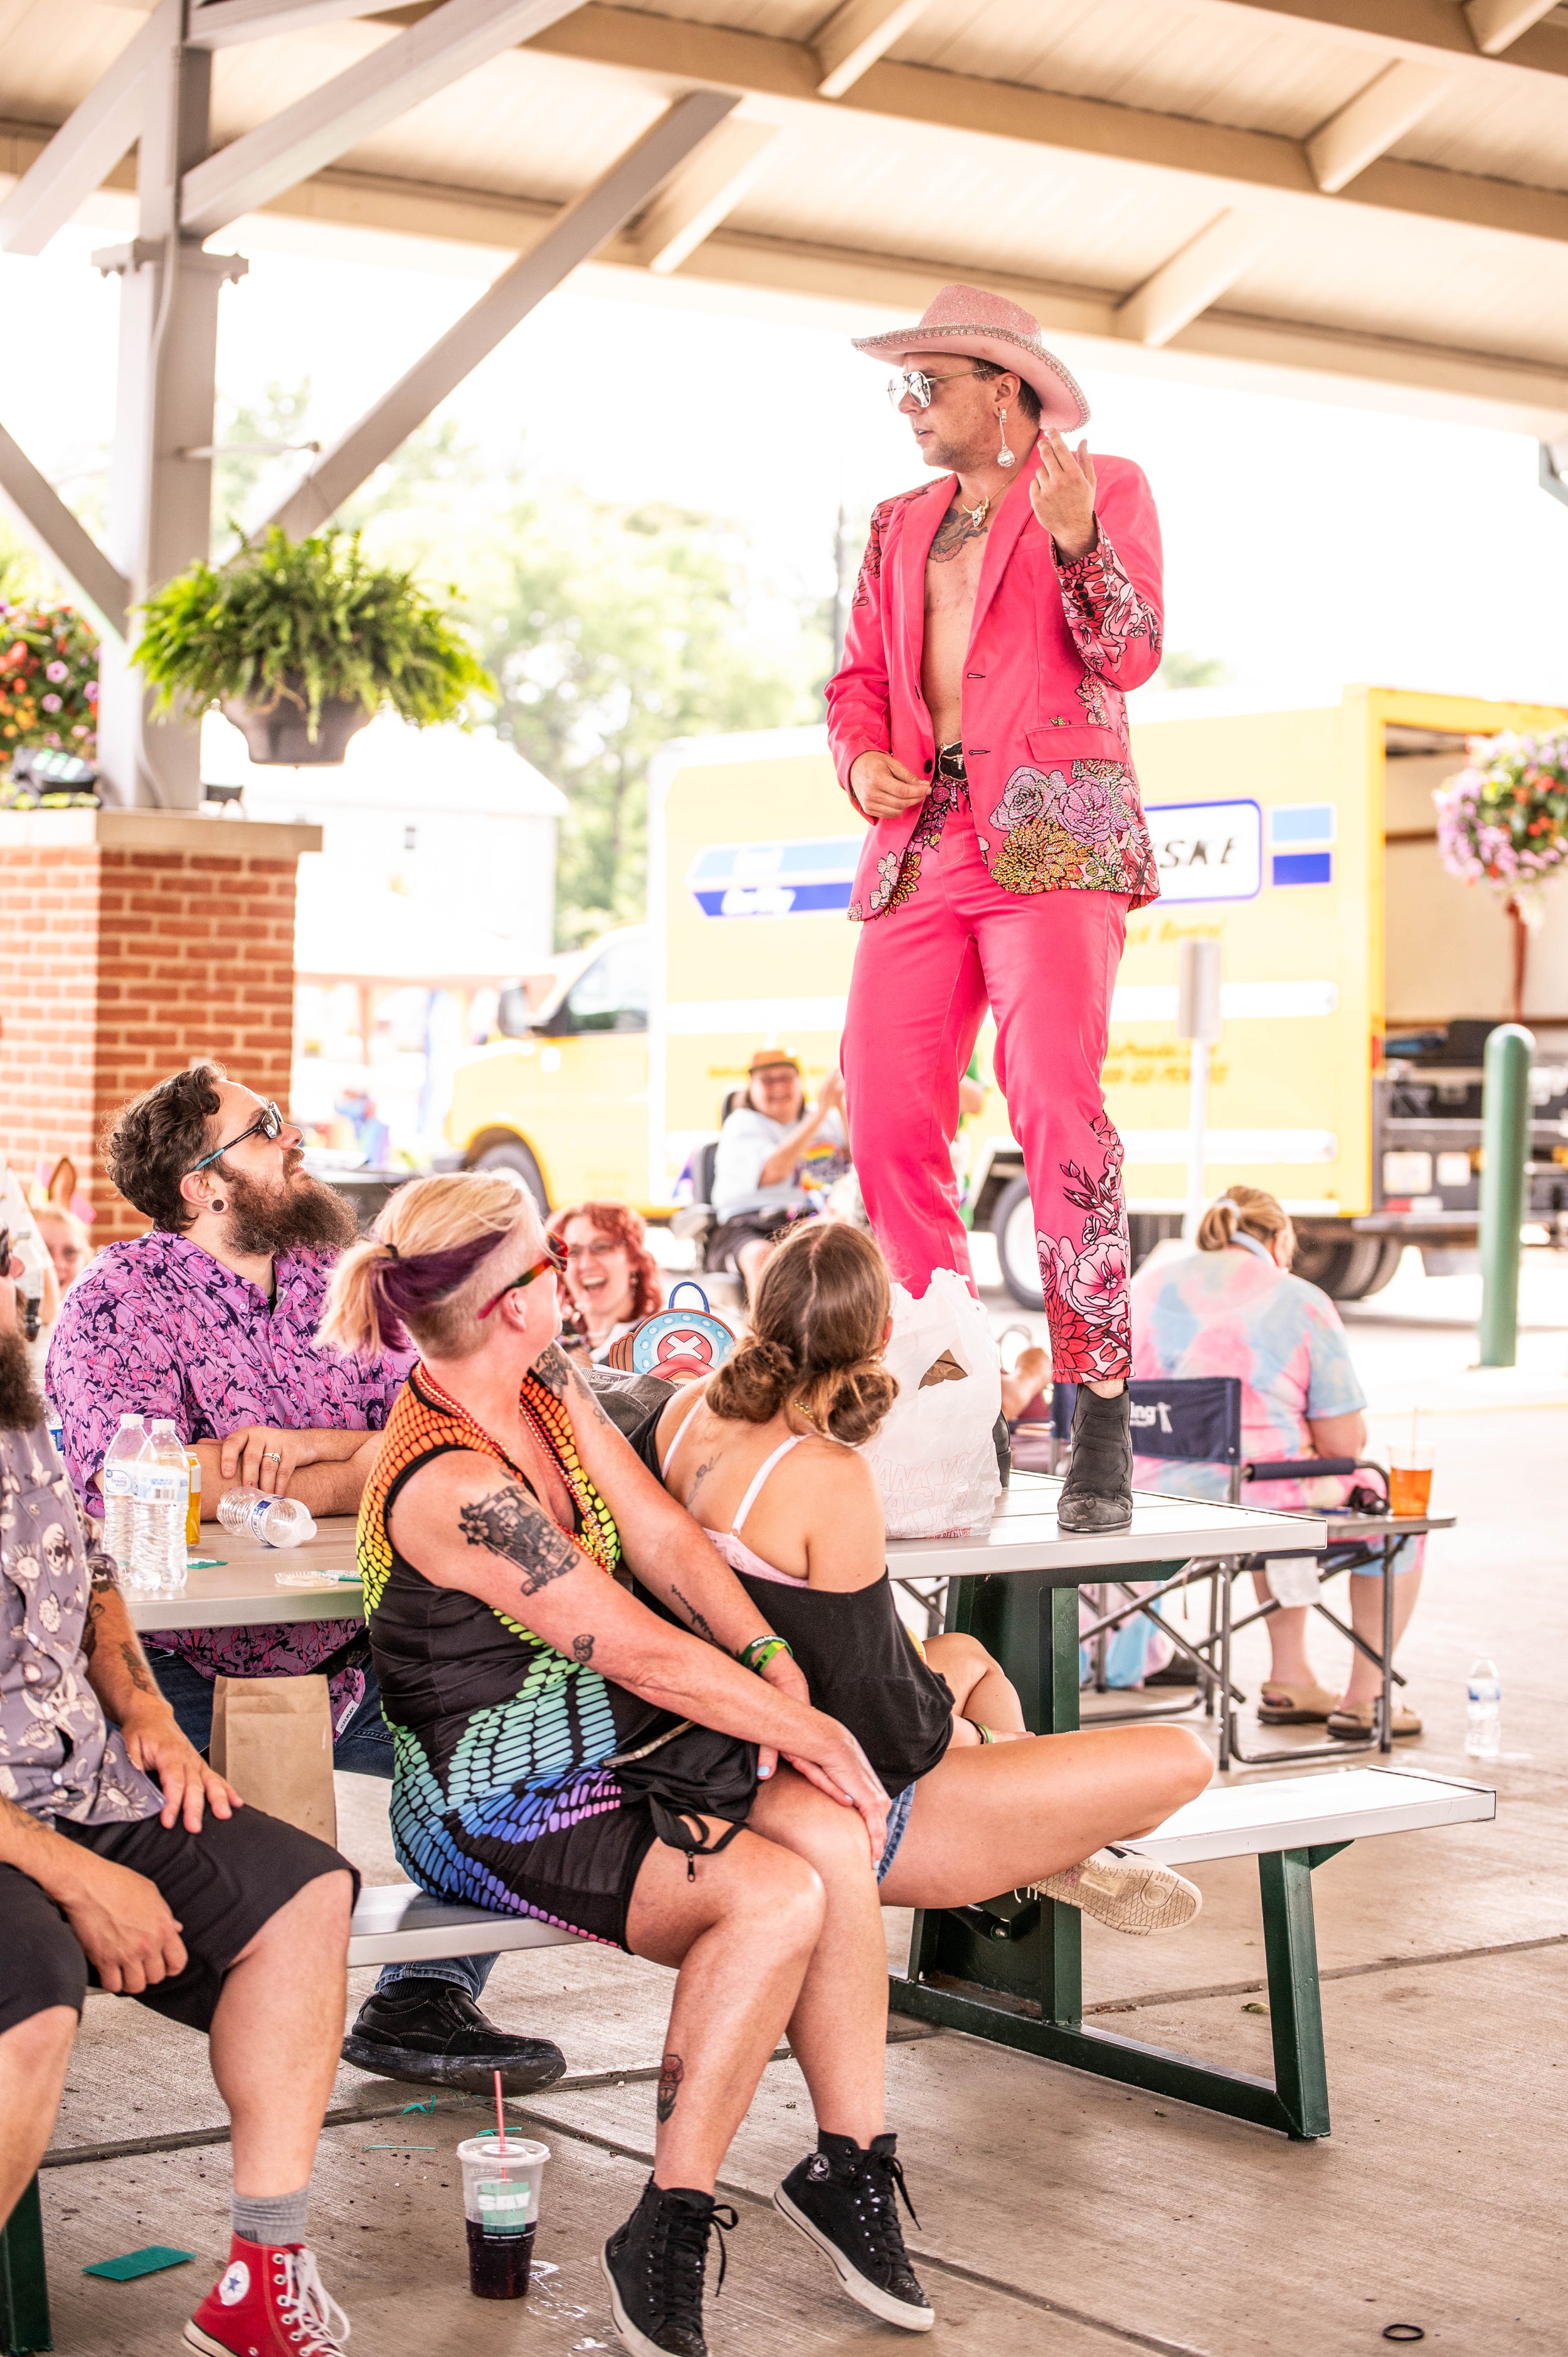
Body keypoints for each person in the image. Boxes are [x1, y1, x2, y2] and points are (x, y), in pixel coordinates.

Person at [317, 1169, 936, 2357]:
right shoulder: (452, 1480)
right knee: (774, 1896)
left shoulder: (542, 1383)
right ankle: (667, 2216)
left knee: (827, 1828)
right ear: (510, 1300)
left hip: (606, 1743)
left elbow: (653, 1525)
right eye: (546, 1265)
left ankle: (852, 2161)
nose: (567, 1276)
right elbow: (633, 1640)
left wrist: (768, 1654)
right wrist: (797, 1715)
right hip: (487, 1799)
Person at [47, 1063, 561, 2097]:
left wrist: (291, 1452)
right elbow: (127, 1480)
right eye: (265, 1127)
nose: (297, 1137)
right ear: (201, 1183)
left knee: (544, 1739)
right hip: (179, 1670)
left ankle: (428, 1992)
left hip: (354, 1642)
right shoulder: (115, 1307)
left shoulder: (341, 1274)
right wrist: (353, 1466)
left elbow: (443, 1428)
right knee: (139, 1882)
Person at [827, 283, 1165, 1536]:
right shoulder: (897, 521)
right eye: (901, 385)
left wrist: (1080, 545)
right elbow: (858, 678)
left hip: (1054, 832)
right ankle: (947, 1381)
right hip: (922, 835)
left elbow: (1127, 654)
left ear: (1003, 388)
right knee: (881, 1106)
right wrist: (860, 758)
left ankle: (1096, 1408)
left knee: (1052, 1104)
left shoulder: (1101, 486)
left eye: (928, 382)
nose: (908, 405)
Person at [639, 1220, 1213, 1939]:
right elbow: (877, 1712)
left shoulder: (685, 1411)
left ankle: (1037, 1847)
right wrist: (975, 1739)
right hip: (852, 1786)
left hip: (733, 1733)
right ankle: (1039, 1847)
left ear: (763, 1308)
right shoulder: (827, 1475)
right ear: (882, 1333)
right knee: (1185, 1758)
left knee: (968, 1653)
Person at [0, 1230, 359, 2357]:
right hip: (18, 1827)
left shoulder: (18, 1403)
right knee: (32, 1995)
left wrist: (147, 1713)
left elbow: (94, 1569)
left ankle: (264, 2277)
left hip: (80, 1779)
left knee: (303, 1894)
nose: (10, 1283)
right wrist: (75, 1876)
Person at [1131, 1186, 1425, 1738]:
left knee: (1284, 1489)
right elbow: (1343, 1443)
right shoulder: (1300, 1299)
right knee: (1384, 1514)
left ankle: (1292, 1676)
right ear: (1280, 1239)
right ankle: (1367, 1697)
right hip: (1251, 1506)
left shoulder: (1143, 1285)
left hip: (1145, 1499)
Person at [710, 1050, 849, 1302]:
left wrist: (839, 1106)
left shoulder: (829, 1118)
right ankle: (764, 1335)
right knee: (761, 1257)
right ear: (750, 1089)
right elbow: (773, 1172)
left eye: (786, 1078)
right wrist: (820, 1112)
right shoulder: (743, 1123)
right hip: (750, 1224)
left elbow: (858, 1158)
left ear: (800, 1083)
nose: (778, 1087)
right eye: (768, 1080)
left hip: (814, 1217)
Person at [549, 1198, 665, 1363]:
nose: (586, 1264)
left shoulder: (659, 1344)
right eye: (573, 1252)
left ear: (634, 1259)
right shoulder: (553, 1344)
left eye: (602, 1247)